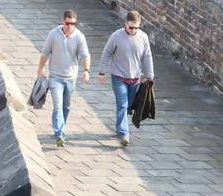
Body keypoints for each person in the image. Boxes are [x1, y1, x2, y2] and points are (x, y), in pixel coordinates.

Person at [98, 10, 154, 147]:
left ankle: (119, 126)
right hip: (118, 77)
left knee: (128, 106)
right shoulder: (116, 36)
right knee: (122, 104)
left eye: (136, 28)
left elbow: (147, 57)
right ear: (125, 24)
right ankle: (124, 134)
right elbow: (106, 53)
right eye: (131, 27)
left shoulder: (143, 37)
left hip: (134, 78)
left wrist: (150, 76)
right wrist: (101, 72)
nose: (134, 30)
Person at [37, 10, 91, 147]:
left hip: (71, 78)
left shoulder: (79, 36)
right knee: (57, 106)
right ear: (63, 21)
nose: (70, 26)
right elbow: (45, 52)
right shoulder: (54, 34)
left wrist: (86, 71)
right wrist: (40, 70)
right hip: (55, 77)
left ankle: (62, 129)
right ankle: (59, 133)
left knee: (66, 107)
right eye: (68, 23)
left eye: (73, 23)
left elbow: (85, 55)